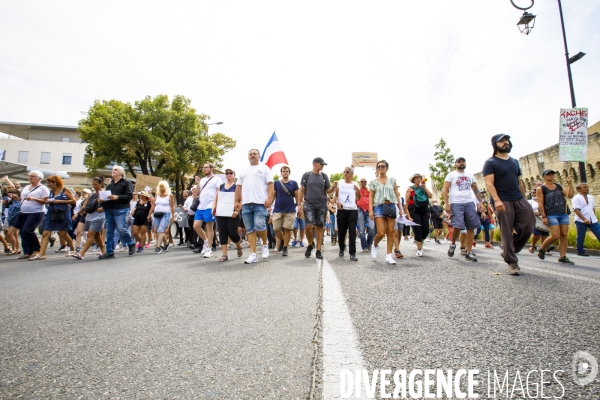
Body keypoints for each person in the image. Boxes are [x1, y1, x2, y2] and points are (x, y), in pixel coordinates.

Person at [482, 134, 533, 275]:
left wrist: (524, 200)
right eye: (502, 141)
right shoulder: (491, 162)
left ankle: (508, 250)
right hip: (502, 199)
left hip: (518, 198)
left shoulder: (515, 162)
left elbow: (520, 182)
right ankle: (512, 262)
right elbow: (489, 183)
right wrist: (497, 200)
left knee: (528, 225)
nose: (506, 143)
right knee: (506, 230)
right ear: (495, 144)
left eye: (507, 140)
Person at [235, 149, 274, 264]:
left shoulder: (264, 168)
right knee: (250, 229)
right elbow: (238, 186)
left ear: (259, 156)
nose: (252, 155)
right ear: (248, 156)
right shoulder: (244, 170)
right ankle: (253, 254)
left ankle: (265, 244)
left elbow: (270, 184)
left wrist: (270, 199)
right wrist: (236, 201)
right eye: (250, 154)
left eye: (254, 154)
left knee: (259, 225)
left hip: (260, 203)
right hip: (246, 204)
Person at [442, 157, 483, 262]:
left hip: (469, 202)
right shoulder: (451, 175)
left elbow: (475, 189)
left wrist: (480, 202)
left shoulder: (470, 175)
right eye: (459, 162)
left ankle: (469, 252)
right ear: (455, 164)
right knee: (457, 226)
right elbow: (445, 190)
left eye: (463, 161)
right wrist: (447, 204)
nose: (461, 163)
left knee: (471, 227)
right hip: (456, 203)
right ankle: (453, 244)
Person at [29, 175, 76, 261]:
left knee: (63, 234)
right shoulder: (51, 191)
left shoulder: (65, 190)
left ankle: (73, 249)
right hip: (52, 213)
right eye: (47, 183)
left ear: (56, 182)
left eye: (49, 183)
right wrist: (48, 202)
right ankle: (41, 254)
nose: (48, 184)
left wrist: (58, 201)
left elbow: (73, 201)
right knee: (45, 233)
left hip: (63, 213)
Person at [299, 157, 336, 260]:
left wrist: (332, 187)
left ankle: (318, 250)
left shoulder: (324, 176)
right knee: (309, 226)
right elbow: (301, 190)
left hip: (321, 205)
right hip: (309, 203)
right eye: (321, 164)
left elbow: (328, 190)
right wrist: (298, 204)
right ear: (315, 164)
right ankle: (310, 244)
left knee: (320, 227)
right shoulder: (306, 175)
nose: (323, 166)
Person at [536, 169, 574, 264]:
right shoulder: (541, 188)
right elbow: (540, 203)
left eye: (552, 174)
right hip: (550, 214)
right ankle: (542, 248)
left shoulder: (558, 186)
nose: (551, 175)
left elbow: (570, 195)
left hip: (563, 213)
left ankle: (563, 256)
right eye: (548, 174)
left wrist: (569, 184)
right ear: (543, 177)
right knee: (555, 235)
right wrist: (544, 216)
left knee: (564, 235)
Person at [9, 171, 49, 260]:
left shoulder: (43, 188)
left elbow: (45, 201)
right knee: (23, 232)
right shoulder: (27, 187)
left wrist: (34, 198)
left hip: (36, 212)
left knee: (27, 230)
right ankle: (27, 251)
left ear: (39, 178)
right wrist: (16, 198)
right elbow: (24, 199)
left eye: (33, 176)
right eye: (29, 176)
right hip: (23, 212)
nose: (30, 178)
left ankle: (37, 250)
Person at [369, 160, 403, 264]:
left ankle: (388, 256)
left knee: (391, 232)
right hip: (378, 206)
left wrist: (400, 209)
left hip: (391, 205)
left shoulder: (392, 180)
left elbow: (397, 194)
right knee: (381, 232)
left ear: (387, 168)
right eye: (378, 167)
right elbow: (371, 196)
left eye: (383, 166)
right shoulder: (373, 182)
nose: (381, 168)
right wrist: (370, 210)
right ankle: (374, 245)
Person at [71, 177, 106, 260]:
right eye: (93, 184)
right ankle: (103, 251)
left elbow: (109, 205)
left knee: (90, 234)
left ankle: (81, 253)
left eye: (96, 184)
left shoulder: (104, 193)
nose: (94, 186)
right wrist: (77, 213)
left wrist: (102, 209)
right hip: (90, 216)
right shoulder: (92, 194)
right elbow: (85, 205)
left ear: (100, 184)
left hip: (99, 217)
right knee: (96, 235)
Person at [269, 165, 300, 257]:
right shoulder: (277, 183)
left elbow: (297, 196)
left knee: (287, 229)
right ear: (281, 173)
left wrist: (299, 206)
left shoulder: (294, 183)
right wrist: (269, 204)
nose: (285, 172)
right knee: (276, 228)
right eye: (283, 171)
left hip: (290, 209)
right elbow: (273, 195)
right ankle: (282, 240)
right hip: (278, 209)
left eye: (286, 171)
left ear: (289, 173)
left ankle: (285, 248)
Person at [212, 168, 243, 261]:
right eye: (227, 173)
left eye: (230, 173)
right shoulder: (221, 186)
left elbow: (241, 200)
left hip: (232, 213)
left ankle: (238, 246)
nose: (228, 174)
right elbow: (216, 199)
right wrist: (213, 208)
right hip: (221, 212)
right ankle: (224, 255)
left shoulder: (237, 187)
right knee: (222, 232)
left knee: (232, 232)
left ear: (234, 175)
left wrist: (237, 211)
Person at [193, 163, 223, 258]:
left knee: (209, 227)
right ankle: (206, 241)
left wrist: (216, 204)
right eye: (203, 167)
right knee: (196, 226)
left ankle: (209, 249)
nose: (204, 169)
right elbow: (197, 193)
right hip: (200, 206)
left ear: (211, 168)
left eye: (206, 167)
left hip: (210, 205)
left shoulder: (217, 179)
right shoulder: (202, 180)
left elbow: (219, 191)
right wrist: (198, 183)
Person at [334, 166, 360, 261]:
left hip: (353, 210)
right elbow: (336, 196)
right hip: (342, 210)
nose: (345, 173)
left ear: (352, 174)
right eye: (344, 171)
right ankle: (341, 248)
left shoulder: (355, 184)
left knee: (352, 231)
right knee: (342, 231)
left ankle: (352, 253)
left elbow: (359, 198)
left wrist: (358, 190)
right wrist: (337, 202)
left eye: (347, 172)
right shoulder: (340, 183)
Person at [404, 173, 433, 257]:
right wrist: (408, 215)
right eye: (416, 178)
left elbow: (430, 196)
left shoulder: (423, 188)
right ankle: (419, 249)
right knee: (417, 229)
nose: (418, 179)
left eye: (419, 178)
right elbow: (406, 203)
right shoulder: (410, 189)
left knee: (426, 229)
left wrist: (425, 187)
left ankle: (420, 240)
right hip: (414, 210)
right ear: (413, 180)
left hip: (424, 210)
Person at [571, 182, 600, 256]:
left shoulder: (591, 197)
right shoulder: (576, 198)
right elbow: (576, 210)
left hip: (592, 219)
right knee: (581, 236)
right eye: (584, 187)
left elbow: (592, 207)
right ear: (579, 189)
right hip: (580, 220)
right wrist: (584, 219)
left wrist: (594, 216)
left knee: (599, 232)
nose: (587, 188)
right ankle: (580, 251)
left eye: (587, 187)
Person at [150, 181, 175, 255]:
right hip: (157, 214)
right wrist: (149, 214)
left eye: (163, 187)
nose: (161, 188)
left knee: (161, 229)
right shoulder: (157, 195)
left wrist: (173, 216)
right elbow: (154, 205)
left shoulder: (170, 195)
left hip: (166, 214)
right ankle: (166, 243)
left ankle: (158, 247)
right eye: (160, 187)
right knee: (158, 230)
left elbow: (172, 206)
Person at [527, 189, 550, 254]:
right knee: (537, 234)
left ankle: (543, 249)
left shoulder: (543, 201)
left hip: (544, 218)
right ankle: (533, 245)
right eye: (532, 192)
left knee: (544, 234)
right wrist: (534, 212)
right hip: (534, 219)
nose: (533, 194)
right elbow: (526, 210)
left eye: (535, 192)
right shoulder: (529, 202)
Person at [356, 178, 375, 252]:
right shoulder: (357, 190)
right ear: (360, 182)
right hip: (360, 209)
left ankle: (369, 243)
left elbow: (373, 199)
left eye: (365, 181)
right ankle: (364, 246)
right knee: (361, 230)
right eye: (362, 181)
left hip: (369, 210)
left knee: (372, 228)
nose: (363, 182)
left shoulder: (370, 191)